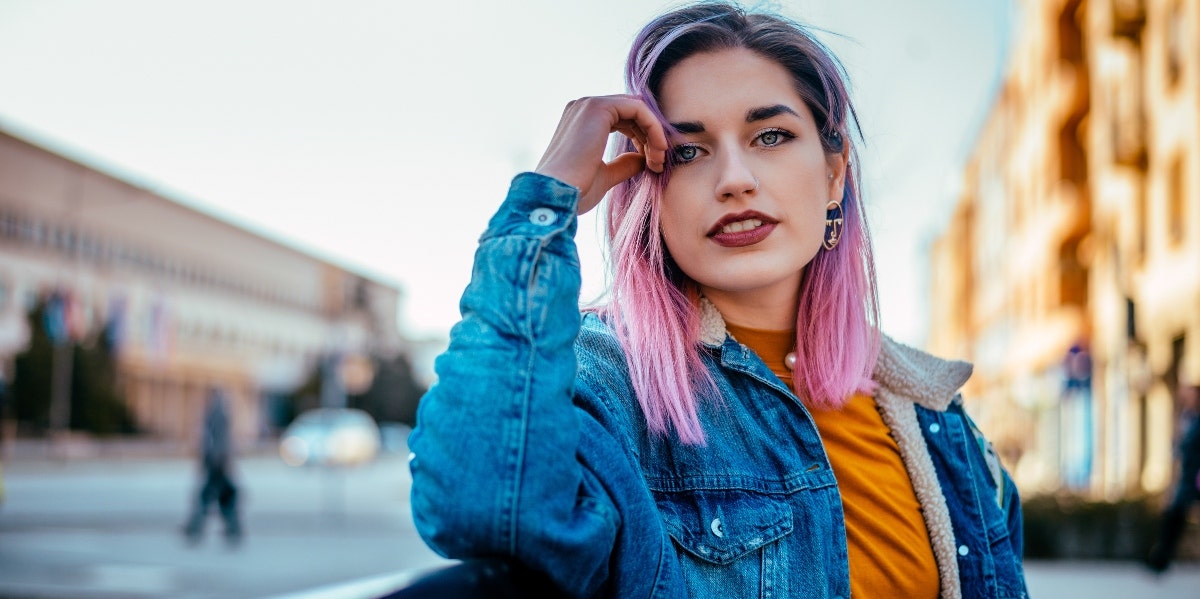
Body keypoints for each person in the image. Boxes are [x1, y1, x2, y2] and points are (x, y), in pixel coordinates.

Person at [408, 2, 1027, 597]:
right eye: (688, 151)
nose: (734, 179)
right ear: (649, 188)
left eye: (772, 135)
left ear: (834, 174)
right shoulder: (607, 383)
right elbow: (477, 502)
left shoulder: (930, 408)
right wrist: (546, 201)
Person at [1146, 383, 1200, 573]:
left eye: (1192, 394)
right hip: (1188, 478)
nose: (1188, 398)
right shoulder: (1186, 417)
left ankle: (1160, 558)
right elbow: (1179, 449)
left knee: (1176, 514)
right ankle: (1160, 558)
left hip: (1195, 476)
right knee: (1174, 515)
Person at [182, 387, 242, 546]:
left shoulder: (216, 413)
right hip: (218, 461)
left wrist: (214, 460)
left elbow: (217, 440)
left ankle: (195, 528)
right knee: (223, 496)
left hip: (216, 461)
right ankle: (232, 529)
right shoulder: (218, 412)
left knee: (210, 496)